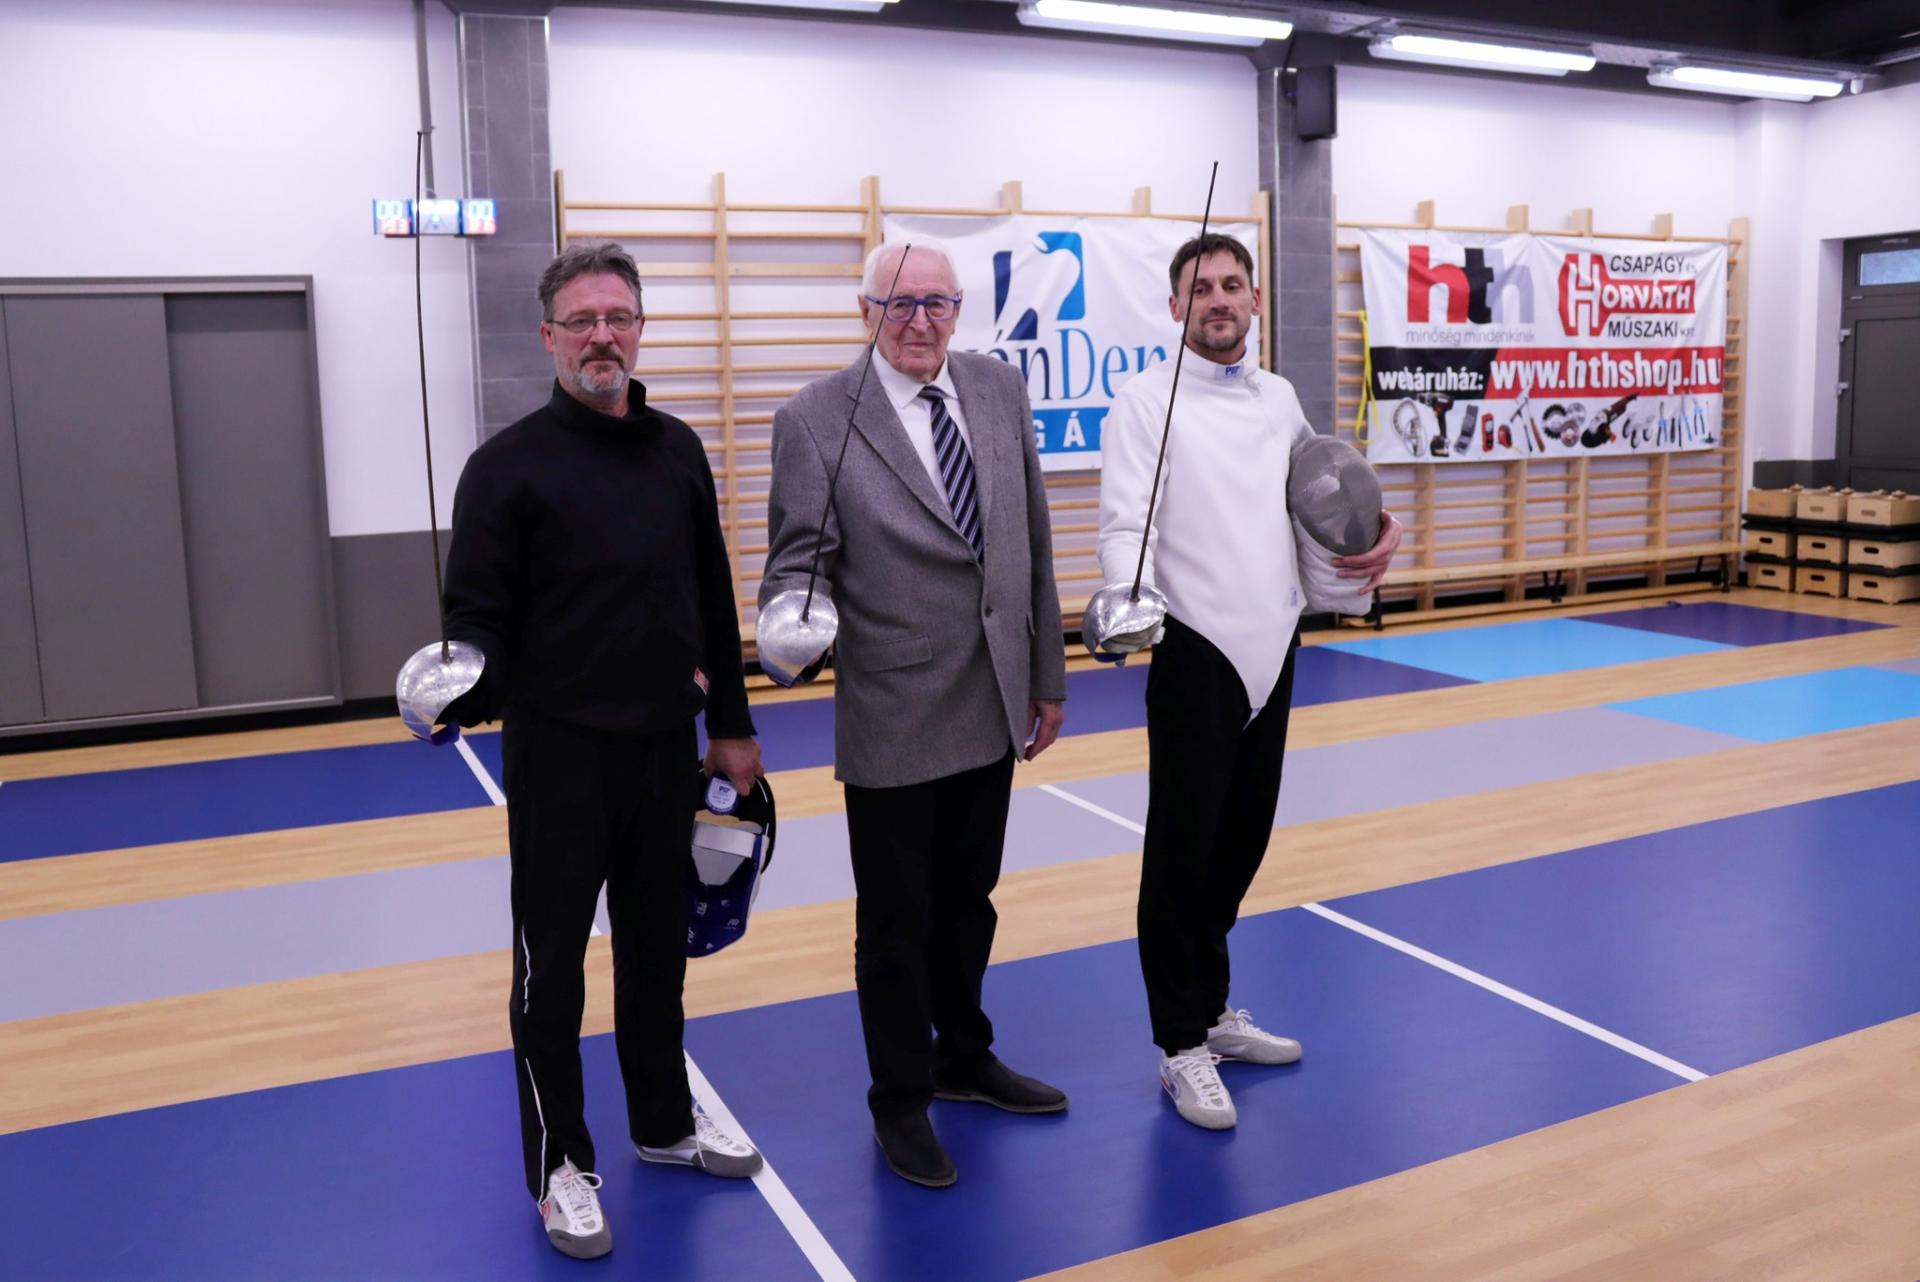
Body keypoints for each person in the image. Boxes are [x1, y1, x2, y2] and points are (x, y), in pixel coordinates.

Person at [441, 241, 766, 1260]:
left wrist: (733, 724)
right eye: (581, 321)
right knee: (551, 978)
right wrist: (457, 689)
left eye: (618, 318)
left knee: (657, 957)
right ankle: (558, 1167)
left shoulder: (677, 450)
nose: (601, 337)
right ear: (549, 337)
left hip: (666, 751)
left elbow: (711, 595)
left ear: (640, 330)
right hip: (558, 761)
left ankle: (663, 1123)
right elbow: (475, 619)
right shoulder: (505, 468)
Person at [759, 240, 1068, 1188]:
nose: (921, 321)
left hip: (994, 693)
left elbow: (1031, 537)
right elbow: (797, 559)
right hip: (894, 708)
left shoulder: (997, 388)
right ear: (866, 313)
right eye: (900, 305)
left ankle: (963, 1057)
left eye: (937, 303)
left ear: (959, 309)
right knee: (895, 922)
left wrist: (1048, 675)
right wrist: (790, 624)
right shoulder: (816, 419)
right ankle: (900, 1100)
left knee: (970, 902)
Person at [1096, 233, 1402, 1131]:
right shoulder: (1145, 403)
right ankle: (1177, 1044)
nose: (1219, 300)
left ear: (1256, 299)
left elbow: (1321, 500)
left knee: (1240, 845)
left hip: (1275, 646)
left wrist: (1370, 540)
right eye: (1201, 289)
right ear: (1175, 307)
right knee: (1180, 855)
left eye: (1232, 284)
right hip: (1196, 650)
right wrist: (1125, 597)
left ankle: (1211, 1012)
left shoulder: (1278, 400)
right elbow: (1126, 524)